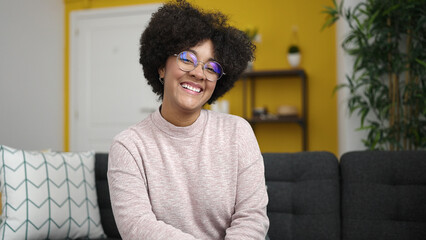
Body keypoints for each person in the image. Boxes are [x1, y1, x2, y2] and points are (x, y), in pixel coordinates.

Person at [107, 1, 269, 239]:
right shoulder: (129, 146)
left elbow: (252, 218)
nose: (198, 73)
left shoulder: (238, 132)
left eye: (211, 67)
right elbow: (137, 226)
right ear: (162, 67)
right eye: (186, 58)